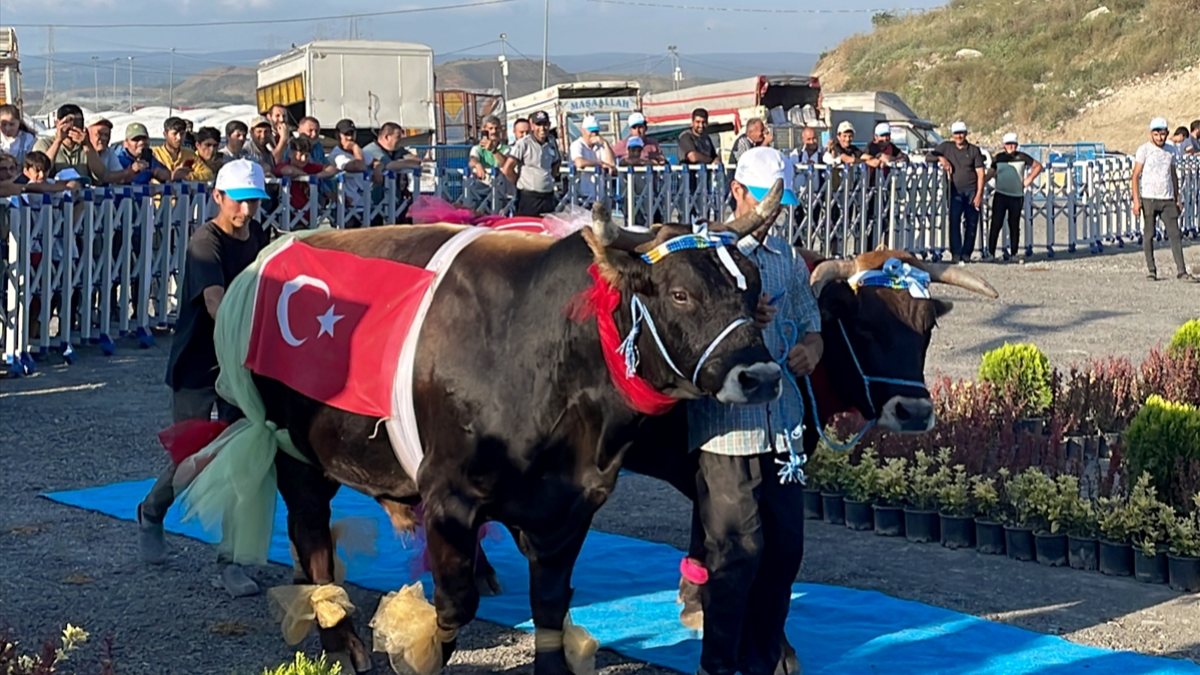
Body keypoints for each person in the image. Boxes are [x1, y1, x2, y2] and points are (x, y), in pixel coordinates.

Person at [688, 146, 820, 675]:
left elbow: (810, 319)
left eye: (779, 206)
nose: (772, 218)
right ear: (737, 192)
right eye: (764, 204)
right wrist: (742, 313)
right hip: (727, 429)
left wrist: (813, 347)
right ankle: (718, 664)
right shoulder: (703, 255)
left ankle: (762, 656)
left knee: (786, 549)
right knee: (737, 550)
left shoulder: (786, 257)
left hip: (782, 427)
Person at [138, 159, 271, 597]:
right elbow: (216, 302)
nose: (247, 213)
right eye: (239, 202)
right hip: (200, 363)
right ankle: (152, 511)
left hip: (244, 363)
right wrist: (245, 332)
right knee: (192, 458)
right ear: (218, 197)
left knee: (245, 460)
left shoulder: (261, 237)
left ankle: (230, 561)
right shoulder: (204, 242)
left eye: (254, 203)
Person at [1133, 117, 1195, 282]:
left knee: (1175, 234)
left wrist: (1177, 197)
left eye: (1163, 134)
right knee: (1149, 234)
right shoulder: (1144, 150)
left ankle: (1181, 271)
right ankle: (1151, 270)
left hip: (1167, 197)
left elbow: (1173, 174)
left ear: (1167, 134)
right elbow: (1135, 175)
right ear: (1151, 134)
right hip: (1149, 197)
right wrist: (1136, 200)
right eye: (1156, 134)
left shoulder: (1171, 150)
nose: (1160, 138)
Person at [932, 121, 986, 264]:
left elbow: (981, 173)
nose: (959, 136)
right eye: (956, 133)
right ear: (952, 135)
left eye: (961, 133)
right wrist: (941, 158)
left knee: (971, 222)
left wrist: (979, 194)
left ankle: (967, 253)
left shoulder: (974, 150)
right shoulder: (946, 147)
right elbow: (929, 156)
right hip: (954, 191)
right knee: (954, 221)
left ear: (966, 134)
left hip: (971, 191)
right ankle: (956, 253)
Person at [985, 133, 1043, 261]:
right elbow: (991, 172)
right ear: (1004, 145)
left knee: (1014, 225)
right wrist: (981, 181)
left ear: (1017, 145)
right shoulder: (998, 158)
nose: (1011, 146)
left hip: (1016, 196)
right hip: (1000, 194)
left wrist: (1029, 179)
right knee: (996, 224)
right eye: (1008, 144)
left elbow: (1038, 166)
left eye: (1013, 144)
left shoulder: (1022, 156)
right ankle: (991, 253)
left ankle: (1014, 253)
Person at [501, 110, 561, 216]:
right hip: (528, 197)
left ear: (549, 125)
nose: (542, 128)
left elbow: (556, 162)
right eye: (538, 124)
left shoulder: (552, 142)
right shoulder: (523, 143)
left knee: (548, 230)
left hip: (548, 196)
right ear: (532, 126)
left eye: (545, 124)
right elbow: (507, 169)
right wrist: (518, 182)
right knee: (527, 230)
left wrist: (550, 177)